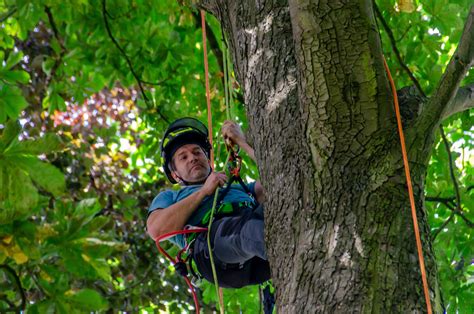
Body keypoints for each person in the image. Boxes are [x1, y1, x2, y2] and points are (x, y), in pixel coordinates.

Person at [147, 117, 270, 288]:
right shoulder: (170, 197)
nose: (193, 158)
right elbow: (156, 229)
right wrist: (204, 192)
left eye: (197, 152)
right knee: (253, 230)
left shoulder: (238, 189)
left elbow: (277, 175)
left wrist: (241, 142)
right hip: (213, 250)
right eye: (183, 157)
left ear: (208, 160)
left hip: (252, 248)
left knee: (269, 219)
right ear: (175, 175)